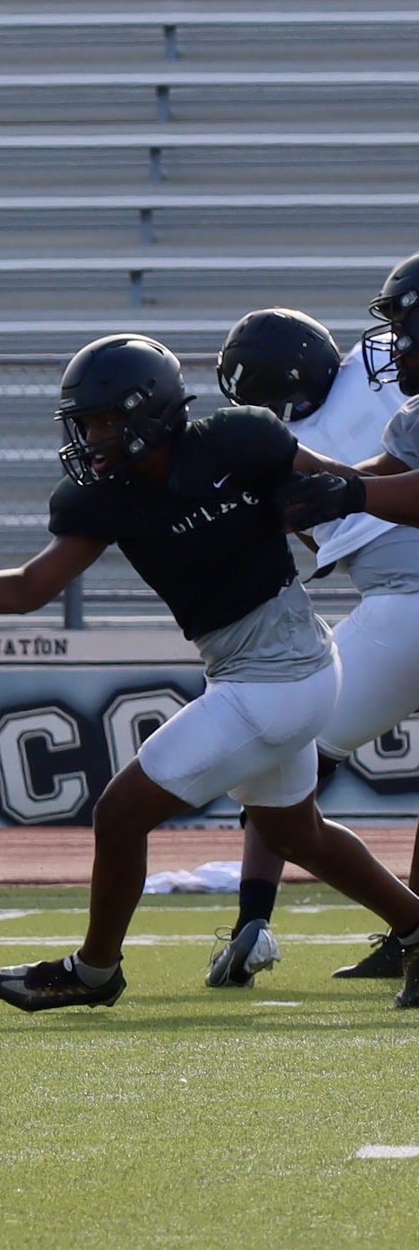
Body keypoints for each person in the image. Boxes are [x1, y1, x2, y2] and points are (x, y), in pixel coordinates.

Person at [0, 332, 419, 1012]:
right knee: (292, 831)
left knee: (119, 814)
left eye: (107, 419)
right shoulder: (102, 498)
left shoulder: (239, 441)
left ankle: (94, 969)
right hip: (262, 674)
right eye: (87, 422)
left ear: (151, 409)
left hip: (279, 675)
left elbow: (339, 486)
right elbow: (27, 587)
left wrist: (322, 501)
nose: (95, 436)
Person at [207, 307, 413, 987]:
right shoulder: (384, 394)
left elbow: (337, 505)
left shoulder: (287, 436)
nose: (393, 354)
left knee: (278, 755)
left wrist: (340, 492)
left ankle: (252, 924)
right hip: (394, 597)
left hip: (405, 603)